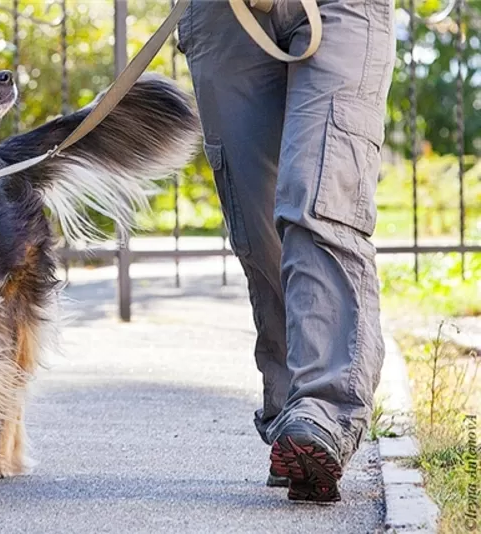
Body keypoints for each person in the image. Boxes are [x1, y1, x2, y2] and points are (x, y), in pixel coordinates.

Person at [177, 0, 395, 502]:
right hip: (221, 15)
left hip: (342, 9)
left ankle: (323, 409)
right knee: (257, 226)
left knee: (317, 201)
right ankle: (290, 404)